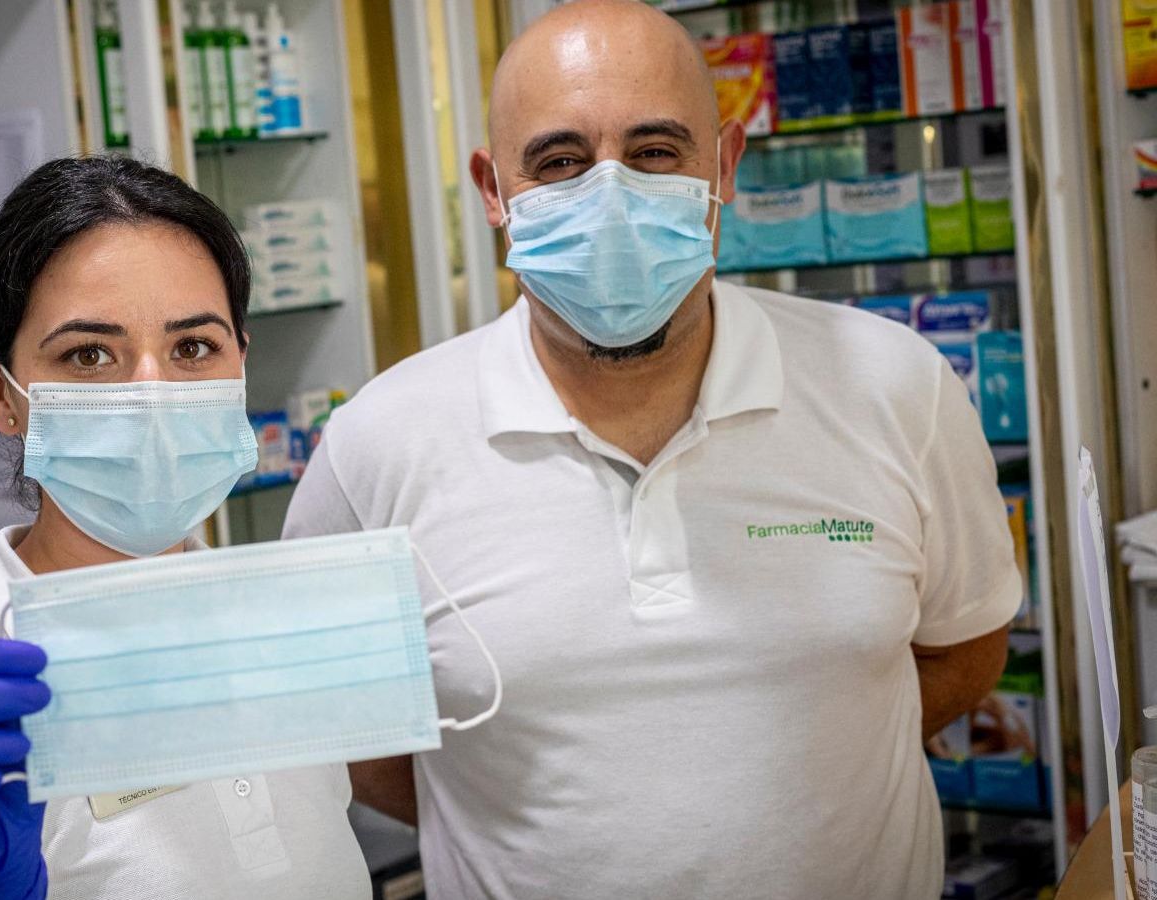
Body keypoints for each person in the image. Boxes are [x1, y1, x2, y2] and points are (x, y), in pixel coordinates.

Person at [282, 2, 1018, 898]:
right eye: (558, 162)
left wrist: (816, 763)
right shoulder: (378, 442)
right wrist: (504, 809)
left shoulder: (894, 384)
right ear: (492, 191)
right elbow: (338, 733)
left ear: (724, 165)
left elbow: (967, 648)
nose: (611, 198)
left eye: (655, 153)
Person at [0, 156, 370, 900]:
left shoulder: (281, 630)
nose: (152, 392)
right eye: (89, 355)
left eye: (193, 348)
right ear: (1, 394)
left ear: (241, 362)